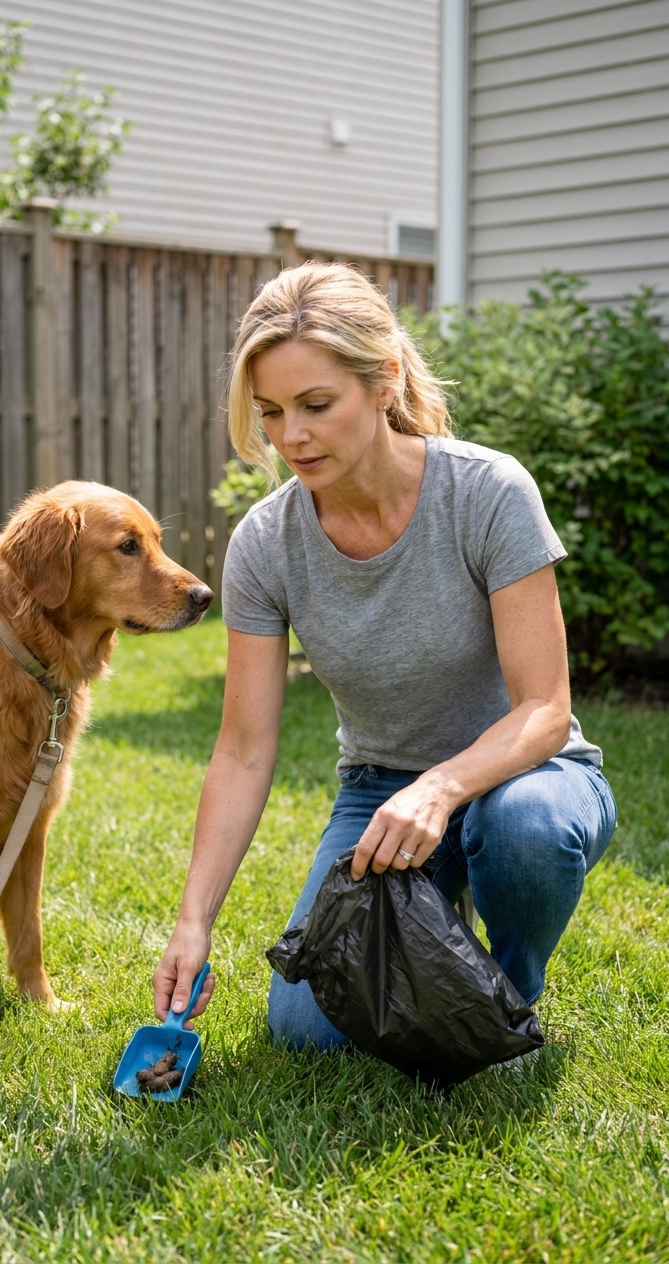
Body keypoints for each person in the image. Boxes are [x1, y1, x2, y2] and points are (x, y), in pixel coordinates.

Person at [152, 262, 617, 1048]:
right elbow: (240, 751)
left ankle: (505, 996)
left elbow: (544, 710)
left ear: (384, 380)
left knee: (524, 830)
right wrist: (192, 922)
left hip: (525, 774)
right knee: (308, 1030)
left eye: (315, 405)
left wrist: (441, 789)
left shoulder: (487, 493)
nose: (290, 436)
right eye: (269, 412)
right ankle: (441, 918)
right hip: (380, 793)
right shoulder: (265, 545)